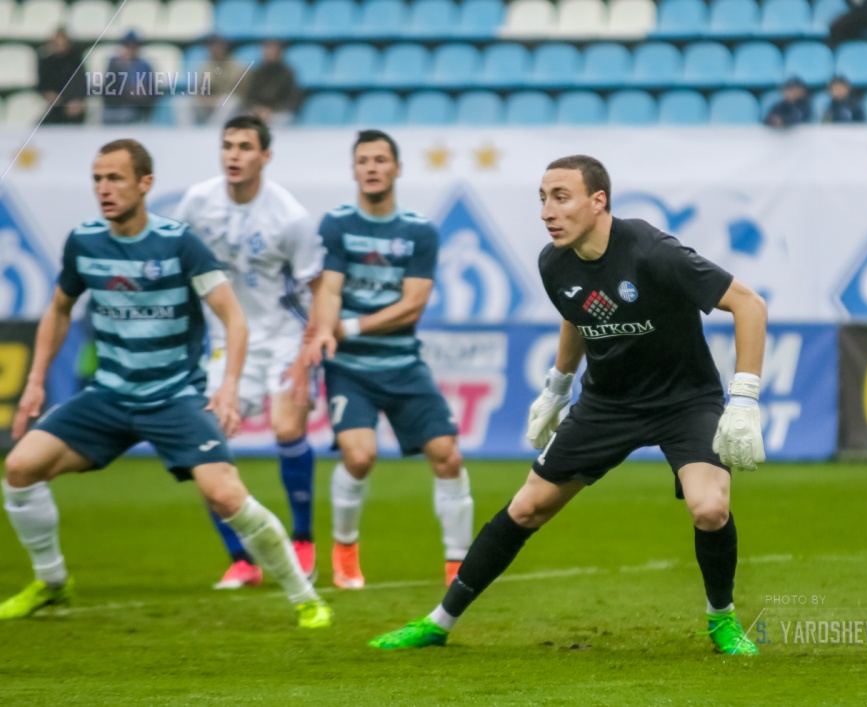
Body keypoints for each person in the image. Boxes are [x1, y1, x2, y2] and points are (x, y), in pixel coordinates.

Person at [369, 155, 767, 655]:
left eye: (561, 198)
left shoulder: (652, 252)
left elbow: (749, 304)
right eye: (542, 199)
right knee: (526, 508)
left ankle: (721, 618)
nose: (547, 212)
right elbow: (577, 314)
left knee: (709, 509)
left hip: (684, 402)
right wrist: (557, 386)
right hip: (608, 404)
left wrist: (744, 399)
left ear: (598, 201)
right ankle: (438, 623)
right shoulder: (553, 262)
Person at [0, 139, 331, 629]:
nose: (104, 189)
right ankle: (51, 582)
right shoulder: (84, 242)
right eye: (97, 179)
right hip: (109, 396)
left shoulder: (180, 244)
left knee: (227, 496)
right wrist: (34, 381)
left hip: (175, 397)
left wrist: (227, 388)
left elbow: (233, 317)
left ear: (145, 184)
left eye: (115, 178)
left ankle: (305, 598)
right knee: (20, 468)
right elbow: (59, 309)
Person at [294, 129, 474, 590]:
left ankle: (458, 566)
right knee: (359, 456)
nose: (372, 168)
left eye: (380, 160)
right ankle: (345, 550)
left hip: (403, 364)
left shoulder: (418, 230)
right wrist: (324, 329)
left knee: (448, 456)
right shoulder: (337, 224)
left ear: (397, 168)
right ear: (354, 170)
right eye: (363, 161)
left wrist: (347, 327)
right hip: (350, 368)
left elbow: (412, 306)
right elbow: (329, 289)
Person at [174, 115, 323, 590]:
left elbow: (316, 288)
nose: (233, 155)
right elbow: (173, 263)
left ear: (265, 156)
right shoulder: (197, 202)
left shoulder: (290, 216)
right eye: (228, 145)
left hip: (282, 338)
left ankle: (302, 539)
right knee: (204, 442)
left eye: (244, 147)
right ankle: (241, 560)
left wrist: (306, 354)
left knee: (287, 427)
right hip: (224, 341)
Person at [240, 40, 301, 126]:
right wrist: (257, 109)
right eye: (267, 51)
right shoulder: (257, 72)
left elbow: (291, 100)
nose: (269, 54)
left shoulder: (288, 74)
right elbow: (249, 96)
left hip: (278, 112)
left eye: (272, 51)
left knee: (283, 119)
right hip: (257, 111)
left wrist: (271, 111)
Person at [102, 31, 156, 125]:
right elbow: (109, 90)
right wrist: (121, 69)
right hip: (115, 107)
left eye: (134, 46)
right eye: (127, 46)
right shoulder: (114, 64)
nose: (131, 49)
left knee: (128, 114)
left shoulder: (144, 66)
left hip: (134, 108)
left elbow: (146, 92)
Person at [193, 35, 248, 125]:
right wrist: (204, 99)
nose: (214, 49)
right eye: (211, 45)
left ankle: (212, 130)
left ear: (225, 47)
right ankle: (186, 131)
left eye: (218, 45)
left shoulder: (237, 67)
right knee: (181, 102)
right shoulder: (205, 66)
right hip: (208, 105)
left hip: (231, 107)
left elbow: (239, 93)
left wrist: (216, 99)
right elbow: (200, 90)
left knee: (230, 102)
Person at [36, 28, 86, 125]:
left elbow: (81, 83)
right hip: (54, 104)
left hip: (72, 103)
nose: (60, 47)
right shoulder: (46, 61)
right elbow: (42, 85)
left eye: (63, 44)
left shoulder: (76, 60)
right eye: (57, 44)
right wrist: (48, 95)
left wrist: (77, 100)